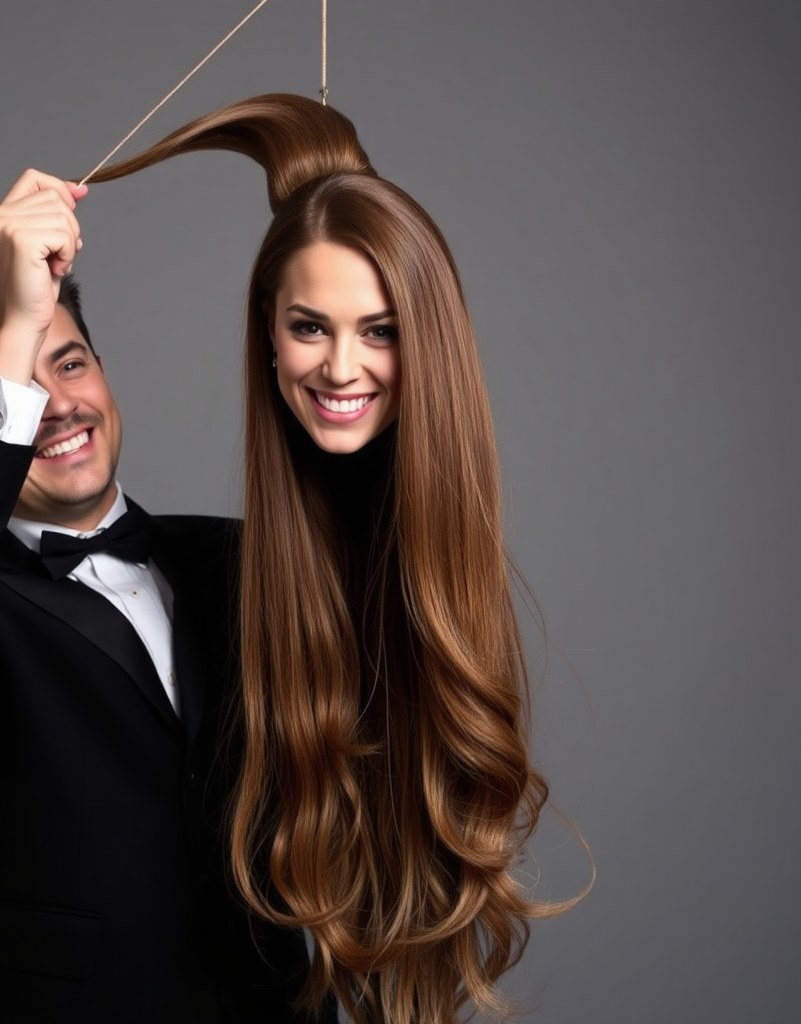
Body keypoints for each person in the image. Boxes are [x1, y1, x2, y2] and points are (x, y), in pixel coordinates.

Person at [86, 94, 581, 1024]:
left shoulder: (433, 570)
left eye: (380, 330)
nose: (340, 368)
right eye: (309, 327)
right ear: (267, 340)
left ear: (427, 339)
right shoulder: (207, 569)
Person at [0, 170, 327, 1023]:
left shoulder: (242, 556)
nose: (58, 405)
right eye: (21, 386)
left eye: (68, 362)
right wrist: (20, 318)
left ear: (103, 368)